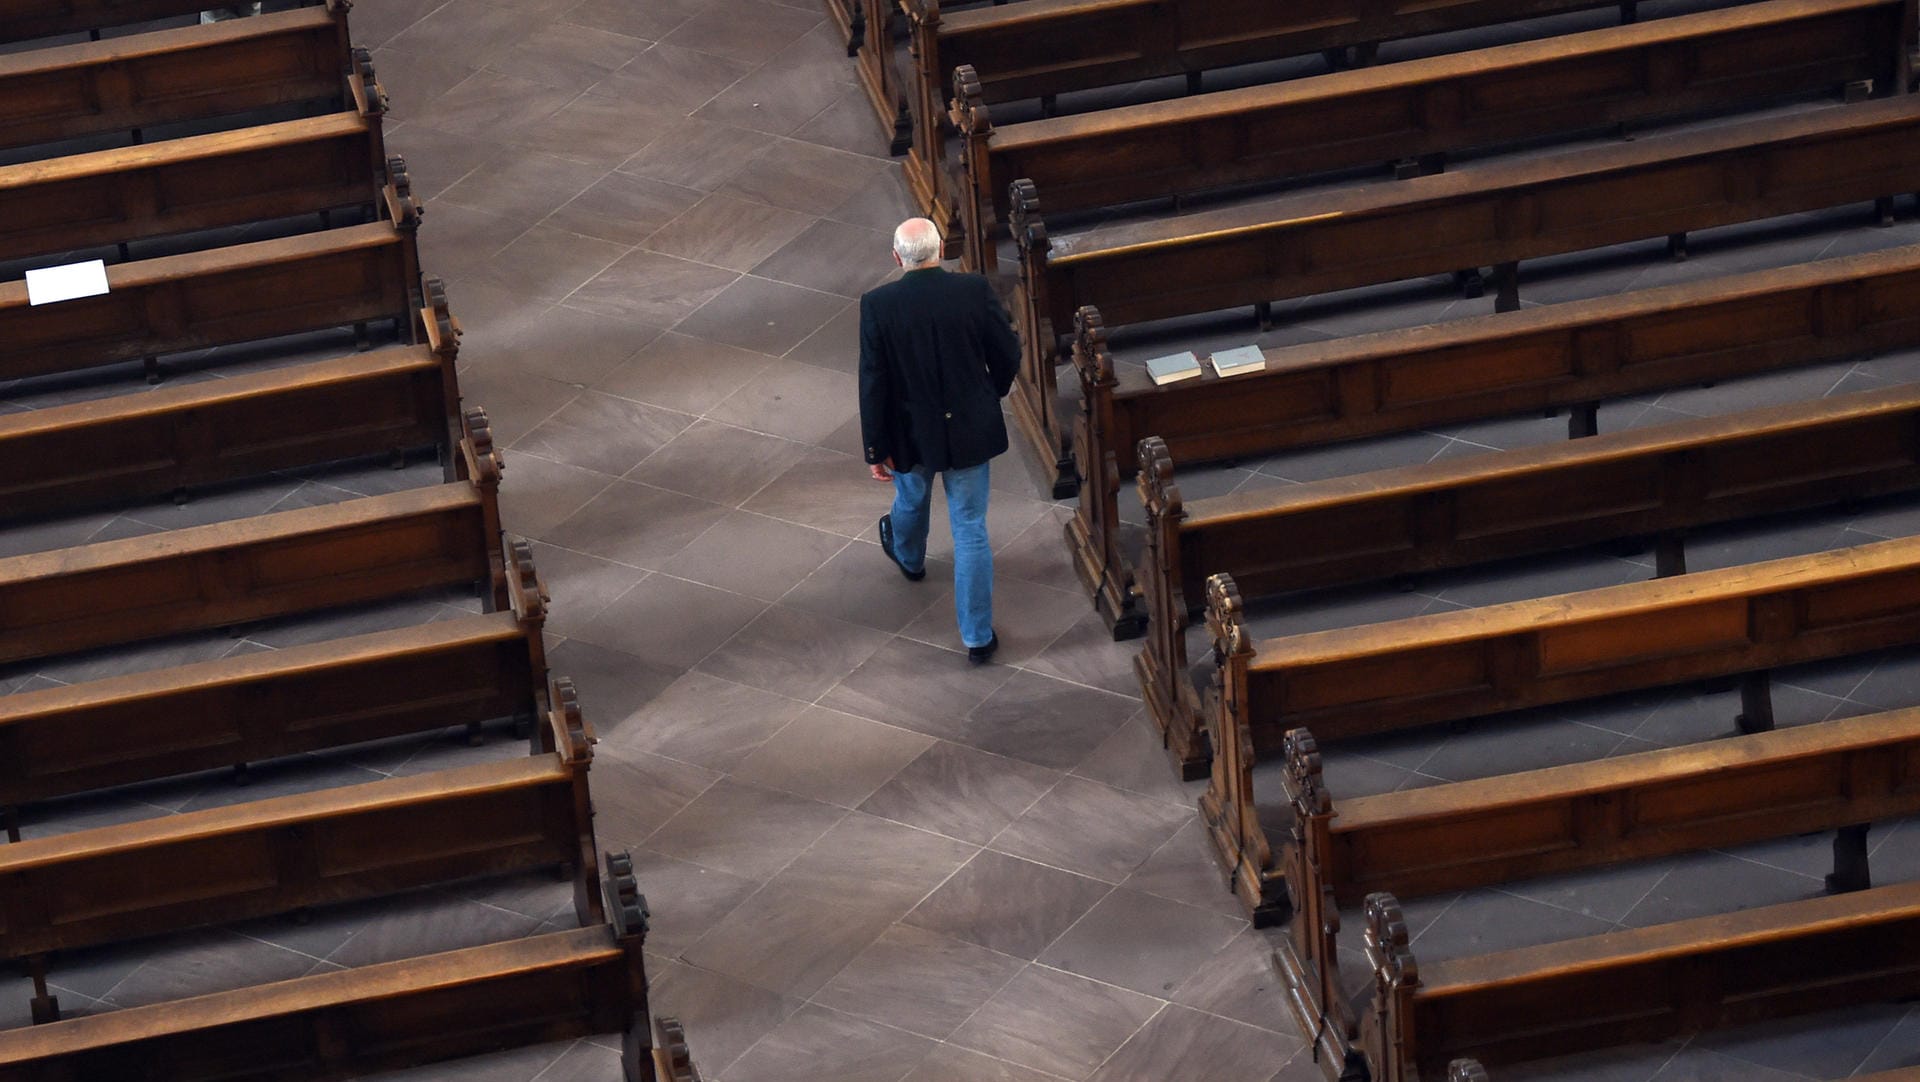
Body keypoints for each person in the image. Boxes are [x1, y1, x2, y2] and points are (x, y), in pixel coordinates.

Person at [858, 218, 1022, 664]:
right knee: (970, 528)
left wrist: (875, 446)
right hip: (969, 426)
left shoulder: (878, 305)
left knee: (910, 500)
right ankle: (977, 637)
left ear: (897, 258)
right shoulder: (972, 291)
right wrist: (991, 393)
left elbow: (873, 381)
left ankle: (910, 559)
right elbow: (1007, 352)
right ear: (940, 252)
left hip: (910, 433)